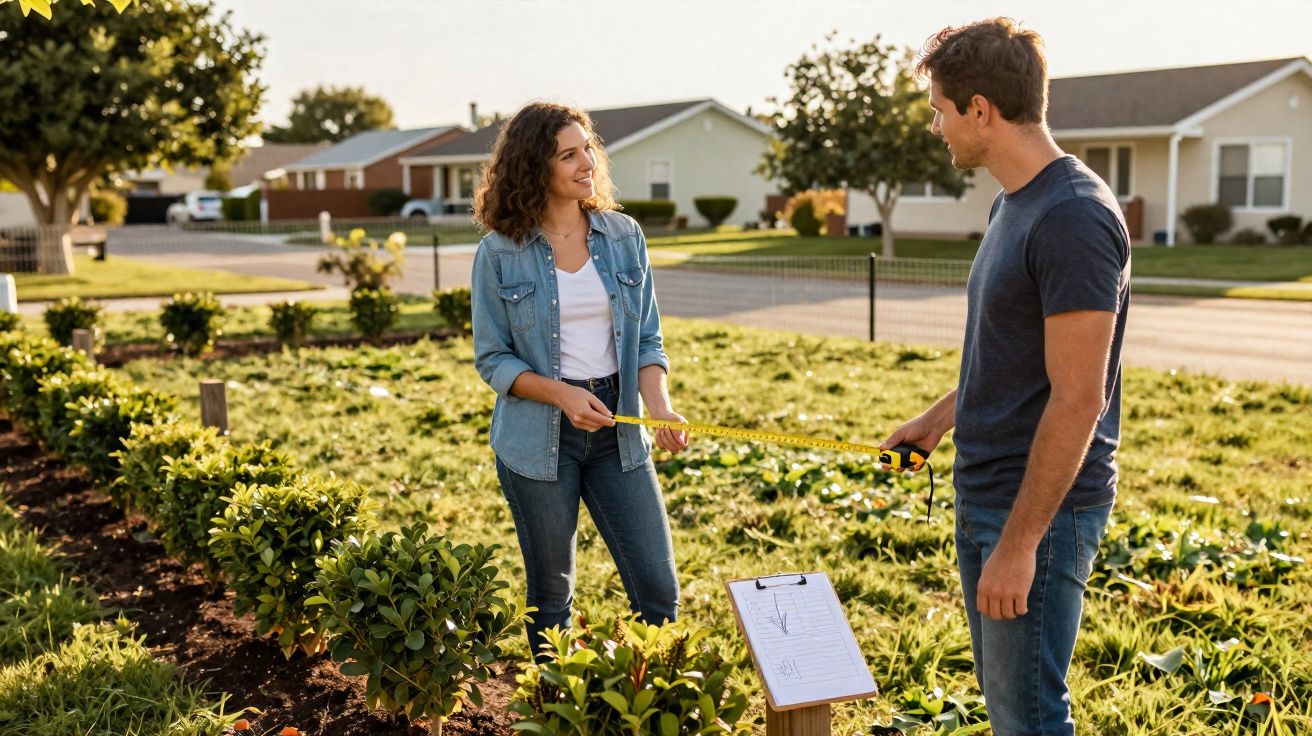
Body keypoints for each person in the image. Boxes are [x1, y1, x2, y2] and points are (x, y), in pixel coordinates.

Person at [881, 19, 1131, 735]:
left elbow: (1081, 397)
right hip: (988, 488)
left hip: (1037, 511)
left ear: (981, 110)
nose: (937, 126)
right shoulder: (1012, 204)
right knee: (1006, 703)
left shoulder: (1073, 218)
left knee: (1029, 714)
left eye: (940, 109)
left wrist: (1020, 545)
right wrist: (936, 421)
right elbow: (1012, 358)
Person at [469, 102, 688, 660]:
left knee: (658, 592)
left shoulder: (622, 235)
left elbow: (647, 338)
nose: (587, 162)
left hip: (619, 428)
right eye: (568, 154)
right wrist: (562, 394)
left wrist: (658, 404)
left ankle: (643, 705)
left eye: (587, 147)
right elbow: (493, 359)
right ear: (533, 166)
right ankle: (556, 706)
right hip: (538, 437)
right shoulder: (499, 252)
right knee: (551, 597)